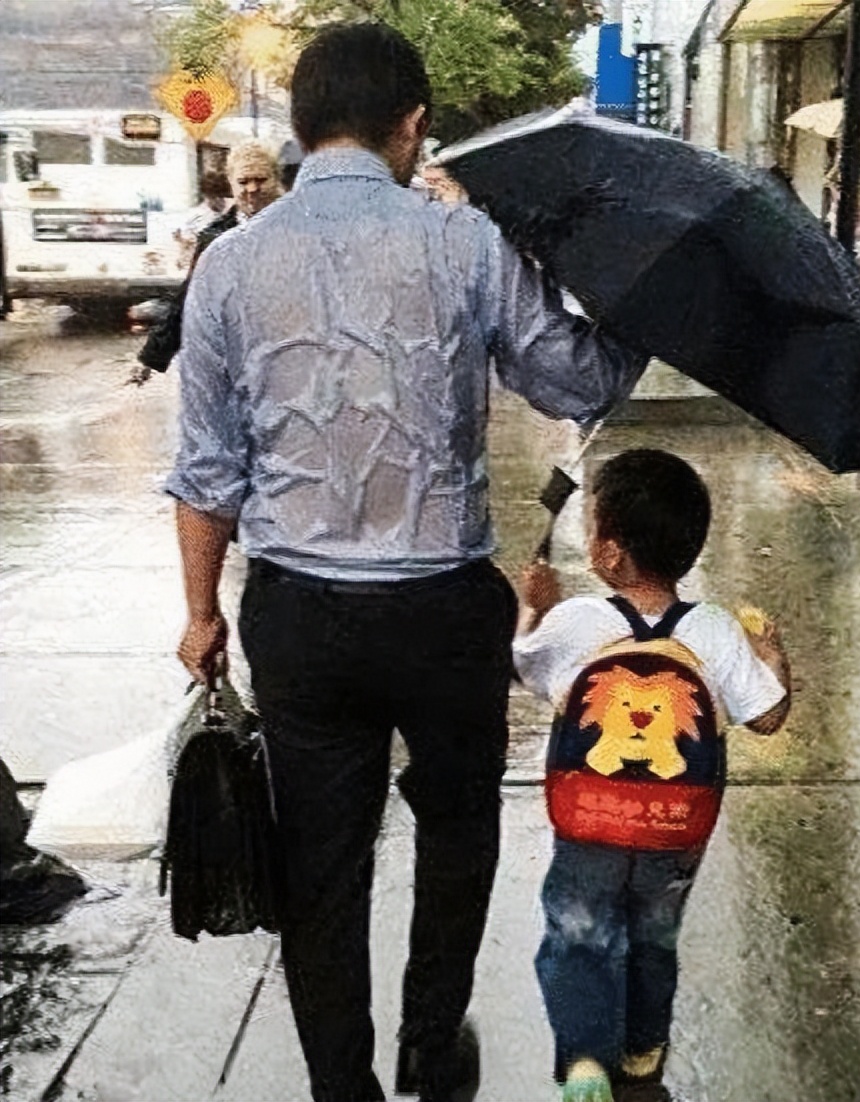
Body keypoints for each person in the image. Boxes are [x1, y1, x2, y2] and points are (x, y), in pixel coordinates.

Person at [167, 22, 647, 1102]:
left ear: (298, 129)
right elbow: (574, 382)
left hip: (300, 616)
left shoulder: (231, 265)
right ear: (413, 125)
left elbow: (205, 471)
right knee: (458, 825)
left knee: (320, 864)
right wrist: (629, 310)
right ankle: (433, 1045)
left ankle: (342, 1084)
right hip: (441, 615)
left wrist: (201, 613)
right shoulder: (466, 246)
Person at [515, 450, 791, 1102]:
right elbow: (770, 718)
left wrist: (535, 609)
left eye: (590, 526)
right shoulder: (717, 630)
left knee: (579, 928)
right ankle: (641, 1054)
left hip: (590, 821)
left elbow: (524, 668)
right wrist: (772, 656)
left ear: (610, 555)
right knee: (654, 935)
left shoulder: (578, 621)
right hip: (675, 831)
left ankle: (584, 1059)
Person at [132, 141, 280, 384]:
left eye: (261, 180)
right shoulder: (214, 238)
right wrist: (151, 358)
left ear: (276, 179)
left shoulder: (302, 230)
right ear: (231, 184)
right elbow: (189, 300)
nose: (252, 188)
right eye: (243, 182)